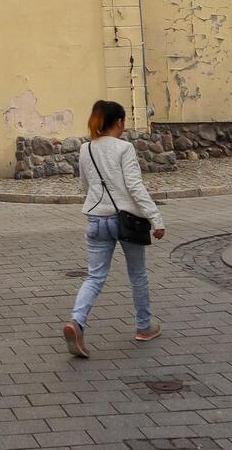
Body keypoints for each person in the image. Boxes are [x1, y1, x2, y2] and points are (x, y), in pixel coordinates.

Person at [63, 99, 165, 359]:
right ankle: (144, 327)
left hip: (96, 219)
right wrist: (155, 218)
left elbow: (85, 185)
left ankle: (76, 321)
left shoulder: (86, 148)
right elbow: (135, 187)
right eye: (124, 122)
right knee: (137, 275)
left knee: (94, 277)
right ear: (119, 122)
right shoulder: (124, 148)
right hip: (126, 220)